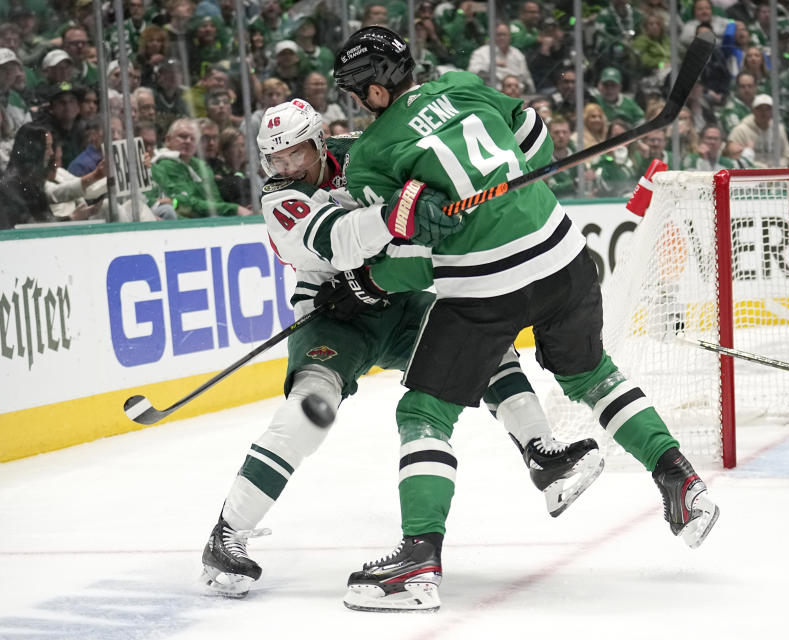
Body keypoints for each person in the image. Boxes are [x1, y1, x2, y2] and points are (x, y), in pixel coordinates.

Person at [334, 26, 719, 612]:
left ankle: (418, 559)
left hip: (488, 285)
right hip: (564, 253)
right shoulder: (463, 86)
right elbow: (533, 140)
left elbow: (412, 259)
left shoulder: (368, 157)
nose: (356, 106)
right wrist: (506, 193)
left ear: (374, 93)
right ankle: (682, 479)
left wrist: (370, 279)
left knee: (423, 412)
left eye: (355, 94)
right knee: (592, 375)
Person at [199, 99, 603, 598]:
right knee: (310, 411)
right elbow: (338, 240)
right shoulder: (280, 199)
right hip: (335, 313)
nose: (286, 168)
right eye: (275, 160)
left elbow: (425, 187)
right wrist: (398, 213)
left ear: (319, 141)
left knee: (488, 351)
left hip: (399, 296)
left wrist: (434, 199)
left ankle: (543, 454)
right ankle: (227, 533)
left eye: (295, 155)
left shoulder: (362, 155)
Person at [151, 118, 254, 217]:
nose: (188, 141)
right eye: (182, 136)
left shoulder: (202, 166)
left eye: (193, 138)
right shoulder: (161, 165)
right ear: (168, 140)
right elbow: (185, 203)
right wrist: (234, 209)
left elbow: (215, 200)